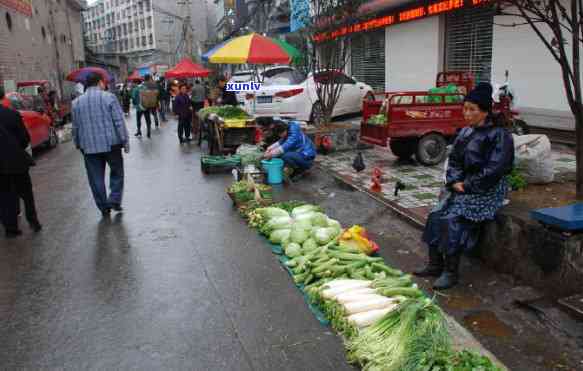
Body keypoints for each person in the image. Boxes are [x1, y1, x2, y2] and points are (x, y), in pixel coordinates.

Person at [414, 83, 515, 290]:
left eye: (472, 109)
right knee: (436, 213)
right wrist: (454, 181)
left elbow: (496, 168)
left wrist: (467, 185)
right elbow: (455, 161)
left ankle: (451, 273)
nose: (466, 113)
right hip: (462, 184)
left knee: (453, 218)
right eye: (465, 108)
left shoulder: (500, 135)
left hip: (488, 188)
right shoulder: (466, 132)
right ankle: (435, 264)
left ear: (485, 111)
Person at [71, 73, 130, 217]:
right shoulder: (109, 97)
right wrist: (124, 140)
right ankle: (114, 199)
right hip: (111, 144)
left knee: (95, 177)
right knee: (117, 172)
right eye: (103, 82)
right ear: (99, 83)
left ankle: (104, 207)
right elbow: (118, 121)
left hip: (89, 147)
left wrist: (78, 143)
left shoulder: (76, 103)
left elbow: (75, 127)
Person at [0, 87, 42, 238]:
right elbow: (24, 139)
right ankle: (33, 221)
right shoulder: (12, 114)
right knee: (26, 193)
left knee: (4, 196)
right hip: (16, 160)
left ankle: (10, 228)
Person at [132, 74, 159, 138]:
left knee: (138, 120)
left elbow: (133, 98)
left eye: (133, 83)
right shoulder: (145, 87)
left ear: (136, 83)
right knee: (148, 119)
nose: (133, 84)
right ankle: (148, 132)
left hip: (139, 108)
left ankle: (139, 131)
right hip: (146, 106)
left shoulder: (135, 89)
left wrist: (135, 104)